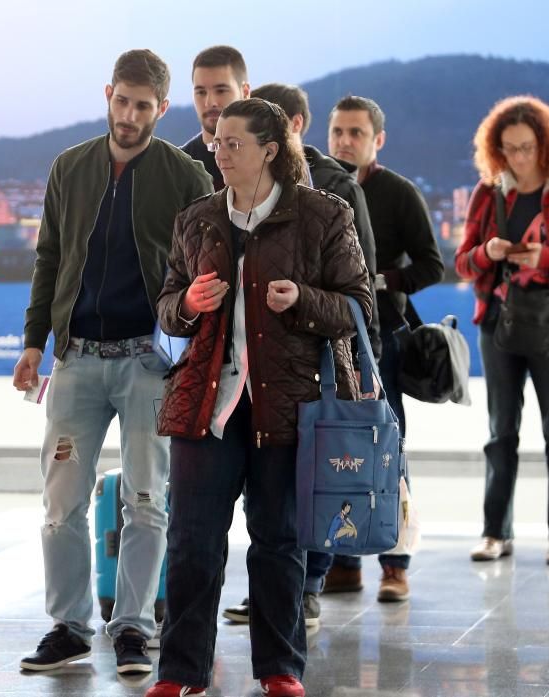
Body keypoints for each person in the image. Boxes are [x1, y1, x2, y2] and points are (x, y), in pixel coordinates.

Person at [145, 98, 371, 697]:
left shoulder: (323, 215)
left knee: (278, 542)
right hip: (206, 405)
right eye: (217, 142)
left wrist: (300, 298)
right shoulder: (196, 217)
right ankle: (180, 673)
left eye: (233, 144)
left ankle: (279, 670)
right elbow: (167, 308)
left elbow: (357, 309)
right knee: (192, 541)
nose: (219, 153)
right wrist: (188, 305)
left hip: (288, 404)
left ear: (270, 150)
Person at [13, 49, 212, 676]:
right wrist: (32, 343)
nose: (129, 116)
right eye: (122, 101)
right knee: (61, 500)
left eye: (143, 106)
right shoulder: (68, 168)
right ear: (107, 95)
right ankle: (68, 626)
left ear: (162, 107)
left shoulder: (184, 177)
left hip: (149, 364)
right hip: (77, 361)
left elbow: (202, 274)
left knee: (147, 501)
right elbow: (49, 258)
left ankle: (133, 626)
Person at [221, 82, 381, 627]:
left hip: (314, 380)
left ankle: (304, 595)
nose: (223, 150)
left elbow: (361, 303)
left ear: (285, 131)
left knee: (307, 500)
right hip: (237, 388)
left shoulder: (335, 194)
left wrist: (364, 373)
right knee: (260, 515)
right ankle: (281, 601)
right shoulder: (212, 206)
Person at [455, 95, 549, 566]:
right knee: (501, 431)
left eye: (526, 147)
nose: (519, 157)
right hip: (499, 324)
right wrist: (490, 252)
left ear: (546, 146)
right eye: (509, 149)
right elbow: (463, 262)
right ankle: (494, 533)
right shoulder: (487, 195)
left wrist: (548, 258)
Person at [321, 95, 445, 602]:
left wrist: (380, 279)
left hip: (385, 339)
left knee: (390, 450)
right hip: (332, 341)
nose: (345, 141)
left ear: (378, 140)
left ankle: (396, 563)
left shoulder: (398, 192)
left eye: (356, 132)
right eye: (337, 132)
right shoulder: (321, 185)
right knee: (338, 449)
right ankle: (344, 563)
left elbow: (433, 265)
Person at [180, 45, 250, 191]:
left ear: (245, 92)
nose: (210, 102)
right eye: (201, 92)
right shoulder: (178, 167)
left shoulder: (270, 158)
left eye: (221, 90)